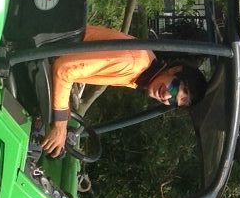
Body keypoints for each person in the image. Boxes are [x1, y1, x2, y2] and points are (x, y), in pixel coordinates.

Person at [39, 23, 206, 157]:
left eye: (172, 101)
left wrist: (63, 111)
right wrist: (60, 124)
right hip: (41, 48)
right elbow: (64, 69)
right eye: (176, 88)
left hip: (47, 55)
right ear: (174, 70)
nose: (167, 96)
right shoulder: (133, 62)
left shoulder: (141, 72)